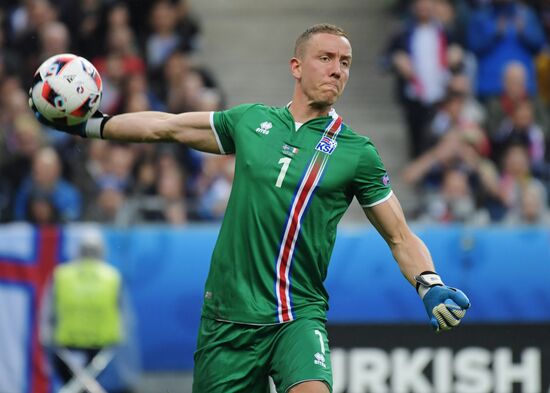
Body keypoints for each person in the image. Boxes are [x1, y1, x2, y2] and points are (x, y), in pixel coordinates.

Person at [33, 24, 470, 393]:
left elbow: (399, 234)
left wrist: (428, 284)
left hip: (296, 314)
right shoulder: (249, 122)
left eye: (345, 62)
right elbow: (166, 127)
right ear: (296, 67)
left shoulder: (358, 153)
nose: (337, 69)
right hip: (227, 319)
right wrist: (89, 127)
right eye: (326, 58)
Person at [40, 231, 137, 393]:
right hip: (102, 349)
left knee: (74, 387)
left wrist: (47, 341)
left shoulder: (62, 275)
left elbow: (47, 313)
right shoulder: (112, 276)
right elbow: (124, 318)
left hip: (66, 348)